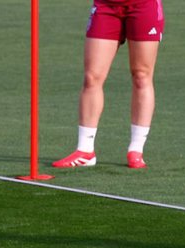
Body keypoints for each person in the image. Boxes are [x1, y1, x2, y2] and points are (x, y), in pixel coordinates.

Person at [53, 0, 165, 169]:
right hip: (106, 5)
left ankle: (136, 149)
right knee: (92, 77)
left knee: (141, 75)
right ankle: (85, 150)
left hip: (143, 5)